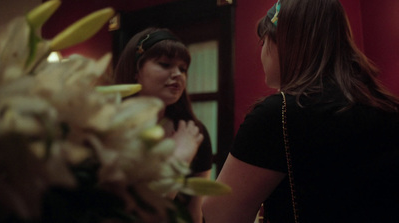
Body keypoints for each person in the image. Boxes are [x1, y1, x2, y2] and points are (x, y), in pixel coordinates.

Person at [202, 0, 399, 222]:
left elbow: (218, 213)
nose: (262, 53)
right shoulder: (387, 107)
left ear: (284, 44)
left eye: (263, 42)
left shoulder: (278, 114)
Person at [113, 27, 213, 223]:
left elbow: (194, 213)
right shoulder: (113, 131)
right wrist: (179, 159)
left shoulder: (194, 132)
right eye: (165, 64)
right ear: (135, 71)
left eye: (183, 69)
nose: (177, 74)